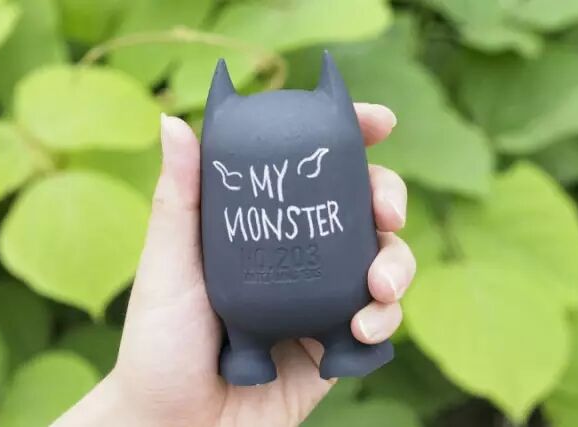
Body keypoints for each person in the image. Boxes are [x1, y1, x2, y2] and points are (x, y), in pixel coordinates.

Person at [53, 103, 415, 427]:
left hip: (268, 304)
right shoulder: (259, 129)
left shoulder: (237, 126)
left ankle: (301, 348)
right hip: (248, 312)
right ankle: (257, 352)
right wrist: (145, 413)